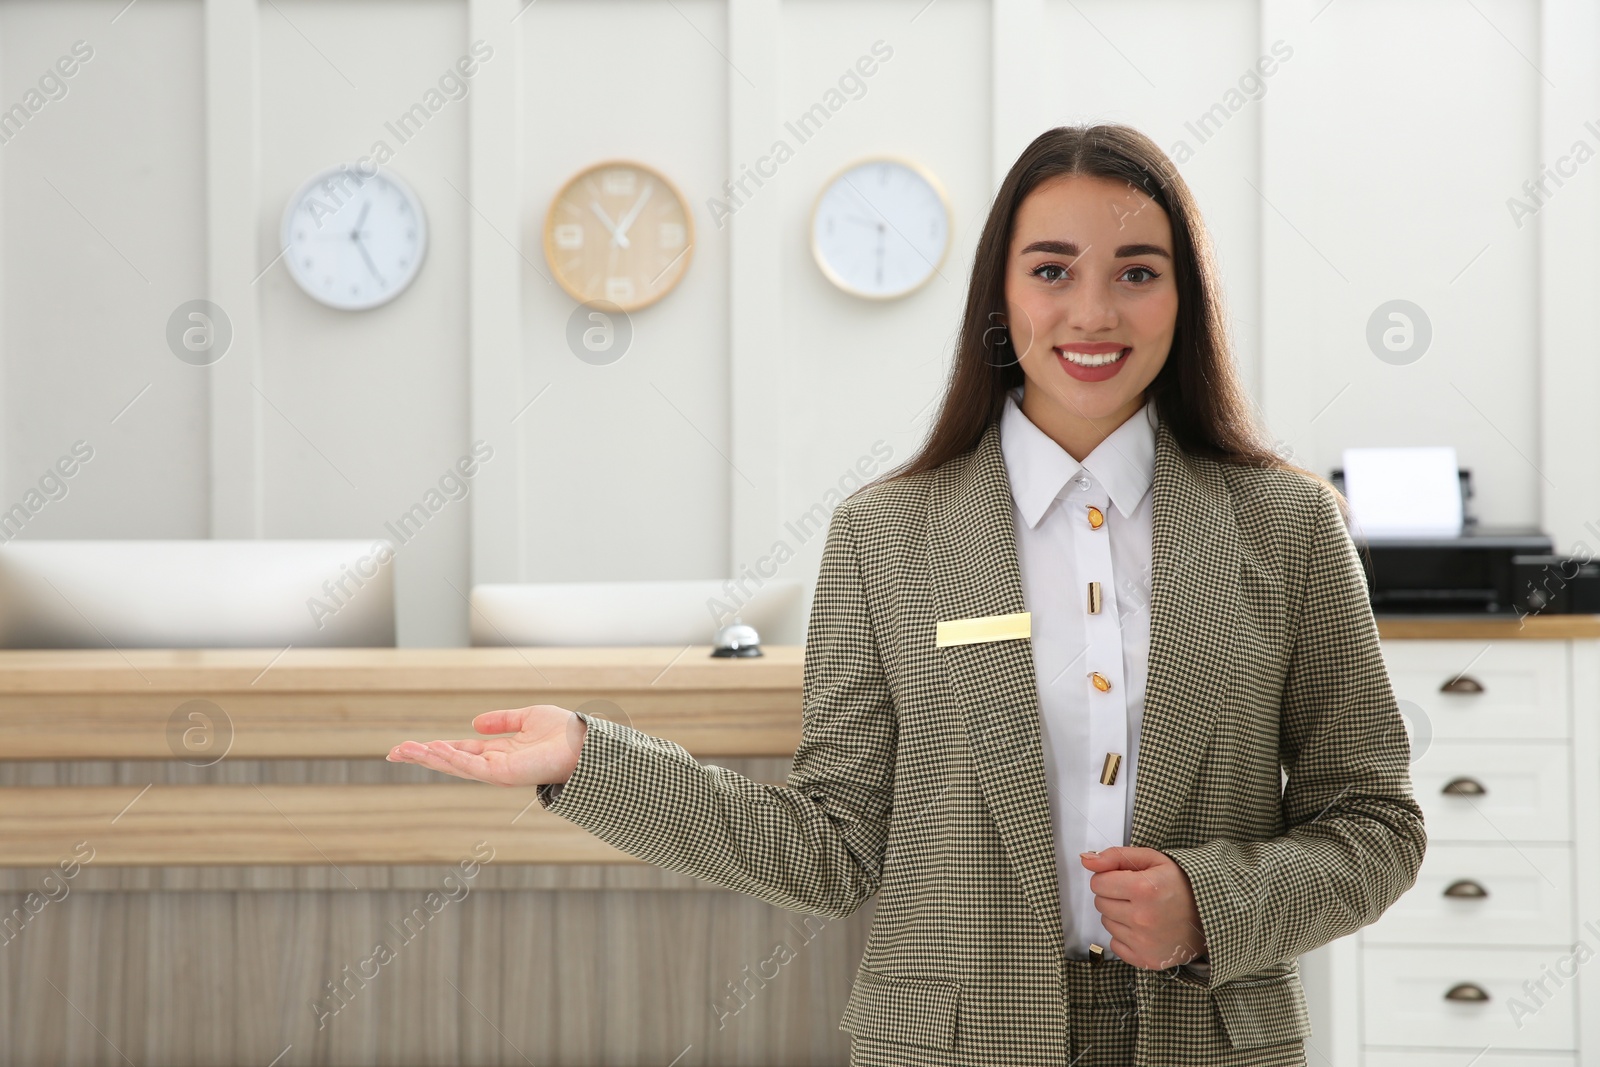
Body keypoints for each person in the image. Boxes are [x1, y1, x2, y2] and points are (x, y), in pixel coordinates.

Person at [388, 123, 1426, 1066]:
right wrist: (590, 757)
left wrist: (1213, 902)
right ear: (1001, 295)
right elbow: (833, 847)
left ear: (1183, 296)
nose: (1092, 310)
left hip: (1213, 1039)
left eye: (1136, 272)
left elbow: (1373, 820)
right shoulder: (886, 535)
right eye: (1051, 269)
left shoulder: (1288, 525)